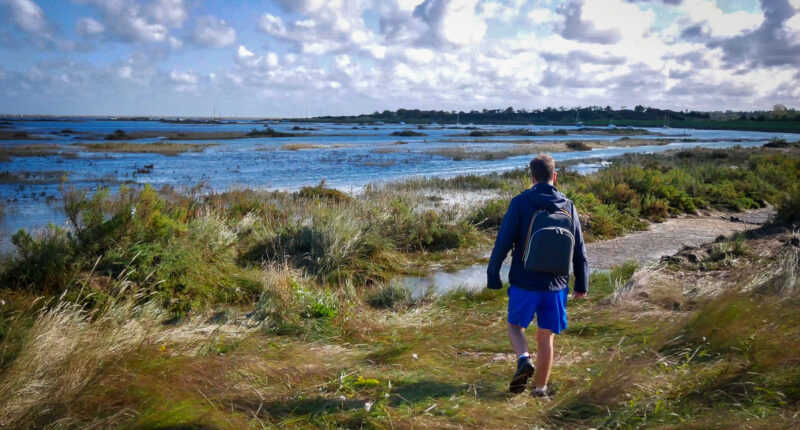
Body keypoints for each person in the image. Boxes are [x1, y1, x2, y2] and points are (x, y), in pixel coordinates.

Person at [486, 153, 589, 397]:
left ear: (531, 177)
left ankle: (523, 359)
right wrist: (581, 283)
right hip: (556, 285)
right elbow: (579, 250)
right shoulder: (568, 205)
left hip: (525, 281)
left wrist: (493, 275)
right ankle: (540, 390)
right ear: (555, 176)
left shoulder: (521, 202)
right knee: (546, 339)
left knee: (515, 327)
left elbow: (502, 243)